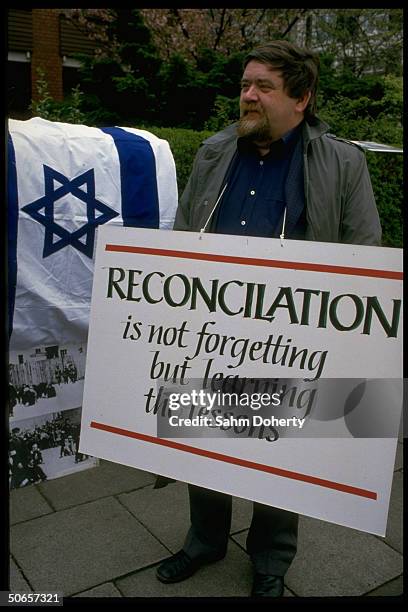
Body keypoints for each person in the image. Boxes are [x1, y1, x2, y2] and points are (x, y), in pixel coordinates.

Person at [155, 40, 381, 597]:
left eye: (263, 88)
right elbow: (184, 238)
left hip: (293, 342)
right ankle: (205, 541)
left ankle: (271, 562)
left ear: (301, 98)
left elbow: (364, 252)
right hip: (209, 333)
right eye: (244, 85)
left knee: (280, 450)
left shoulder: (341, 161)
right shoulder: (213, 152)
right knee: (203, 438)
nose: (247, 97)